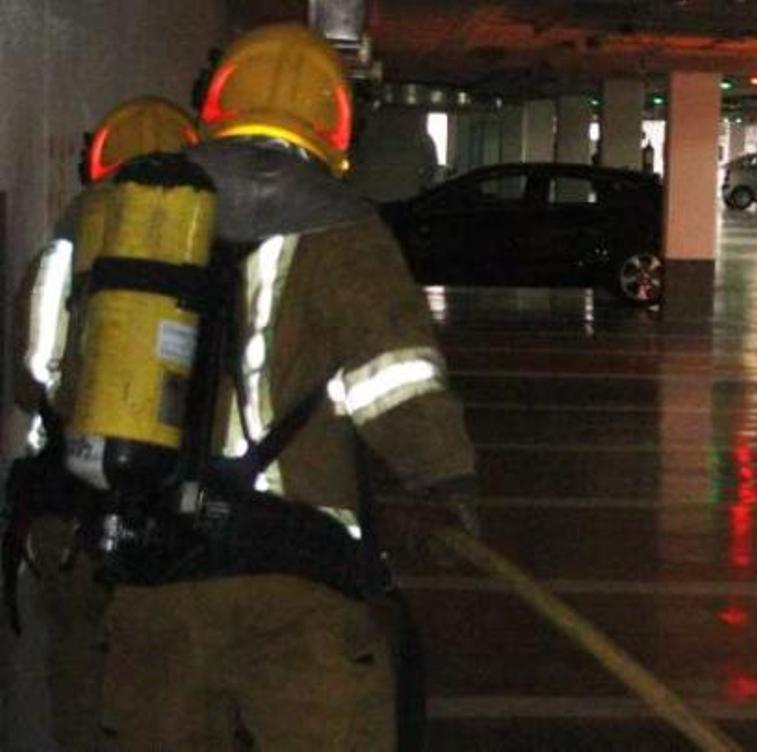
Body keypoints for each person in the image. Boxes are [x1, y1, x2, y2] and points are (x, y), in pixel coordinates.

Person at [88, 22, 476, 749]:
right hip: (296, 583)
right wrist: (444, 483)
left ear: (216, 104)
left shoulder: (141, 214)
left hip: (152, 575)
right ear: (335, 127)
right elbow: (395, 381)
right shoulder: (345, 231)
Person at [4, 96, 200, 750]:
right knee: (165, 685)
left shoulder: (63, 250)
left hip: (67, 510)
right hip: (166, 510)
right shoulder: (201, 257)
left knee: (77, 667)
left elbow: (30, 380)